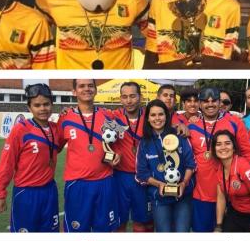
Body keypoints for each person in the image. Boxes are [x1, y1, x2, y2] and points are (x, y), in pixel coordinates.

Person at [0, 84, 64, 232]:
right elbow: (6, 163)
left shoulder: (55, 128)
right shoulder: (20, 129)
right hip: (26, 193)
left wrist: (68, 113)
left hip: (50, 191)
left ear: (52, 105)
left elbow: (58, 147)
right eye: (37, 105)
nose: (42, 108)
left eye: (46, 104)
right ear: (29, 108)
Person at [188, 87, 250, 232]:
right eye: (205, 101)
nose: (210, 104)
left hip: (230, 195)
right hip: (201, 195)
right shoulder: (191, 125)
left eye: (214, 100)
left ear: (220, 102)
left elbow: (247, 152)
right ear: (199, 104)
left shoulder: (234, 123)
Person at [58, 79, 121, 231]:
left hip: (105, 181)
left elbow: (120, 143)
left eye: (90, 85)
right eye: (82, 86)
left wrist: (117, 154)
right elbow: (54, 147)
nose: (87, 89)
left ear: (96, 89)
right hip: (77, 184)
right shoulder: (65, 118)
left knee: (105, 231)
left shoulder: (108, 116)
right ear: (74, 91)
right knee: (76, 231)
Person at [135, 99, 196, 232]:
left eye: (161, 114)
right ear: (148, 119)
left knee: (182, 232)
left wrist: (184, 183)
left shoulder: (179, 136)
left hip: (183, 195)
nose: (157, 118)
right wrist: (159, 184)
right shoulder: (144, 143)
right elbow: (141, 173)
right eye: (153, 115)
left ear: (166, 116)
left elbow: (191, 163)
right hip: (159, 197)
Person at [112, 81, 153, 232]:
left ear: (140, 97)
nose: (128, 101)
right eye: (124, 97)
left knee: (143, 224)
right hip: (120, 177)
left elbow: (171, 122)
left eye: (132, 96)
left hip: (143, 177)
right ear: (120, 99)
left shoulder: (150, 117)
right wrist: (68, 109)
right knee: (118, 222)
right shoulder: (113, 116)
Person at [213, 130, 250, 232]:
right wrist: (218, 226)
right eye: (218, 144)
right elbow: (221, 198)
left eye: (227, 143)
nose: (223, 147)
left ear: (234, 147)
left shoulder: (243, 166)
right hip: (235, 213)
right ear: (214, 149)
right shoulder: (220, 167)